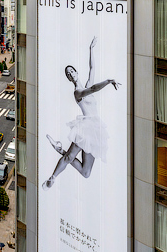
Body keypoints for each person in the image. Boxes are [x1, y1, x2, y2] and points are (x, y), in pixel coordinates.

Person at [44, 37, 121, 188]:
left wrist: (91, 49)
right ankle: (52, 178)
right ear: (69, 79)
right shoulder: (78, 92)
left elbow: (92, 69)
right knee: (69, 157)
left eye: (72, 71)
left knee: (86, 173)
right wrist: (108, 81)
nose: (71, 73)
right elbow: (92, 89)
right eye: (68, 74)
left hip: (95, 129)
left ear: (76, 72)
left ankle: (59, 149)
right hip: (86, 128)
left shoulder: (85, 86)